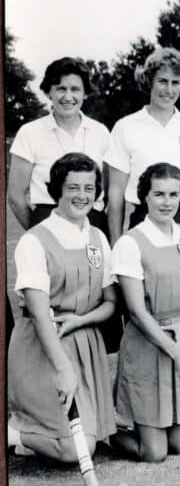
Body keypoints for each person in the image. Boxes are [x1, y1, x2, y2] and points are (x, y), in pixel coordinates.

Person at [7, 154, 117, 460]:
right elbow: (40, 315)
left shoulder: (98, 237)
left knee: (96, 440)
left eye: (89, 188)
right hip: (43, 349)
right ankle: (13, 433)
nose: (82, 196)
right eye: (73, 188)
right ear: (57, 190)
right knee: (73, 450)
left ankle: (33, 439)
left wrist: (80, 320)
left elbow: (110, 304)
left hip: (85, 347)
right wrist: (63, 368)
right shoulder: (34, 240)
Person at [109, 163, 180, 461]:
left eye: (174, 194)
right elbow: (136, 313)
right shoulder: (130, 243)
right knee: (154, 453)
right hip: (147, 344)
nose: (167, 202)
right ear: (144, 197)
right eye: (159, 194)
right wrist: (178, 354)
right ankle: (108, 433)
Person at [104, 46, 180, 241]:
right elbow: (115, 193)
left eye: (175, 83)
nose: (169, 90)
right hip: (143, 218)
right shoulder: (126, 127)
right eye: (162, 81)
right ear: (150, 82)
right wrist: (115, 243)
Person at [8, 56, 110, 232]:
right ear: (49, 92)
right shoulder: (29, 132)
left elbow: (107, 191)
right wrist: (39, 232)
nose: (68, 96)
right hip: (48, 219)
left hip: (93, 220)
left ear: (85, 93)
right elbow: (16, 196)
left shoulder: (101, 132)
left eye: (75, 89)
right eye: (61, 89)